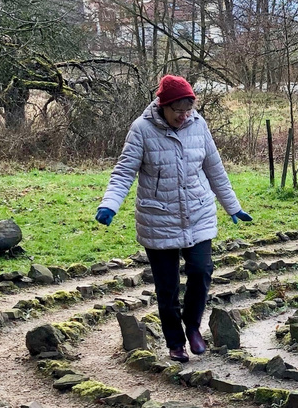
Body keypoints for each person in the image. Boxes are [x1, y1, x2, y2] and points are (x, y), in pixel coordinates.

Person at [95, 75, 252, 362]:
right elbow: (124, 171)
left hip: (198, 213)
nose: (183, 116)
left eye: (187, 111)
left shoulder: (198, 125)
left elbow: (214, 168)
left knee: (201, 272)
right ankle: (175, 341)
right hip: (159, 218)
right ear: (162, 106)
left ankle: (192, 327)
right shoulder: (141, 130)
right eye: (177, 111)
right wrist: (110, 205)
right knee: (166, 288)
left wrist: (233, 206)